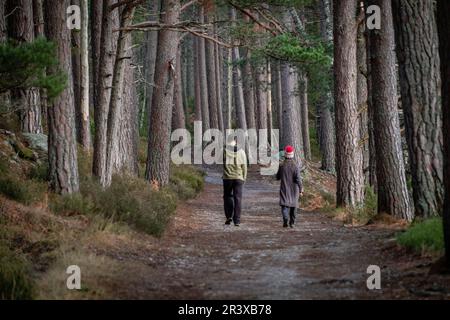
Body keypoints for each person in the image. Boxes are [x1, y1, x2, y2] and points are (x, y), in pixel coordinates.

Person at [276, 145, 303, 228]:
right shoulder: (295, 166)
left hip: (284, 188)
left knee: (284, 205)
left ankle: (285, 219)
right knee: (293, 206)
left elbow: (277, 177)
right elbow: (298, 179)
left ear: (285, 154)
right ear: (292, 154)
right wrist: (301, 189)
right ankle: (292, 223)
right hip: (294, 189)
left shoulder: (282, 166)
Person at [223, 137, 247, 226]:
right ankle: (237, 220)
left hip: (227, 178)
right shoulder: (241, 152)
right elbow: (244, 166)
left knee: (227, 196)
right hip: (239, 178)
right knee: (238, 199)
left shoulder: (224, 151)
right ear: (236, 142)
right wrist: (244, 177)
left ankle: (229, 216)